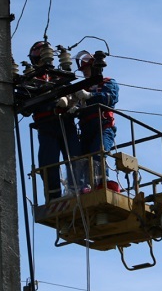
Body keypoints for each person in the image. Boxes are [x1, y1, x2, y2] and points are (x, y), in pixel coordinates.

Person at [28, 41, 81, 201]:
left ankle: (78, 190)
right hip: (47, 126)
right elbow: (27, 104)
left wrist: (70, 101)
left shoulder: (59, 76)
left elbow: (74, 94)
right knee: (48, 163)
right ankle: (54, 197)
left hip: (66, 123)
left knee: (76, 159)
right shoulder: (31, 79)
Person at [74, 51, 120, 192]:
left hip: (103, 126)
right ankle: (83, 187)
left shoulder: (108, 82)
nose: (84, 73)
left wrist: (90, 96)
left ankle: (101, 185)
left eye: (86, 69)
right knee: (80, 160)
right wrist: (73, 108)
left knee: (97, 154)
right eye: (83, 70)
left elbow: (110, 98)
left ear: (94, 67)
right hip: (86, 129)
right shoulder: (83, 88)